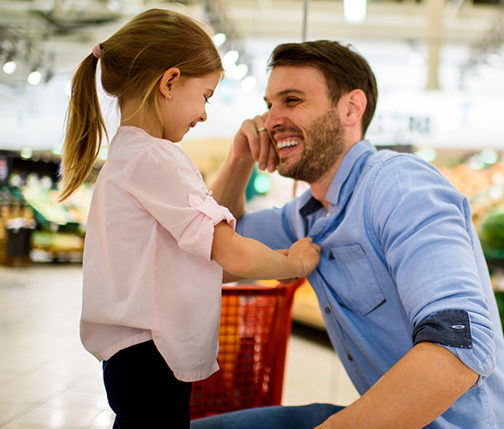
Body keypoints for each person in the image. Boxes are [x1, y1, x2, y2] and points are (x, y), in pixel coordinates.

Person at [195, 40, 504, 428]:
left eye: (292, 100)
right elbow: (212, 247)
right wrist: (238, 159)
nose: (270, 120)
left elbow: (459, 346)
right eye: (269, 105)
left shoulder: (400, 186)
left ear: (351, 108)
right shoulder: (306, 215)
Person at [59, 9, 321, 428]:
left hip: (130, 356)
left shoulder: (127, 158)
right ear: (169, 81)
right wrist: (294, 263)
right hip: (152, 355)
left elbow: (179, 266)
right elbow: (231, 254)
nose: (203, 114)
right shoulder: (158, 157)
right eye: (206, 95)